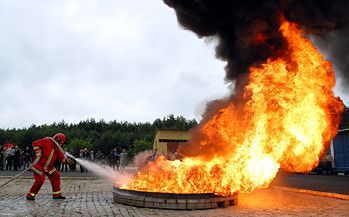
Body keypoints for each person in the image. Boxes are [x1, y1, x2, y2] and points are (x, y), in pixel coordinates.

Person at [26, 133, 72, 200]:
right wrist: (38, 151)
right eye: (61, 142)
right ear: (58, 139)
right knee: (40, 181)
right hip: (39, 165)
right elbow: (35, 143)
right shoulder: (46, 140)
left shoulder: (57, 148)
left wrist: (67, 161)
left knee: (56, 176)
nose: (61, 143)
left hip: (49, 167)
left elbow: (61, 159)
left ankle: (57, 195)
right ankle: (30, 195)